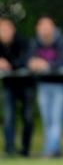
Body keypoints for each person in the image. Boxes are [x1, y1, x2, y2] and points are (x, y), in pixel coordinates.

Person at [27, 15, 63, 158]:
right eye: (42, 26)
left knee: (56, 119)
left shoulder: (61, 41)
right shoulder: (35, 42)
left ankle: (51, 151)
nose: (45, 30)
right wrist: (32, 63)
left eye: (48, 26)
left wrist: (47, 65)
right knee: (47, 120)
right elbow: (28, 60)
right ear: (38, 28)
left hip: (60, 85)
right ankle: (52, 149)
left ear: (53, 27)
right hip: (43, 85)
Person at [0, 16, 35, 157]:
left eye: (7, 28)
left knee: (27, 118)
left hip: (26, 85)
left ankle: (25, 150)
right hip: (9, 86)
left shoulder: (23, 42)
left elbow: (26, 60)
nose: (4, 32)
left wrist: (9, 65)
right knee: (9, 118)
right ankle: (10, 149)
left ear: (13, 29)